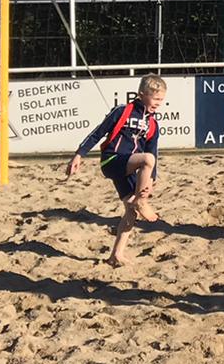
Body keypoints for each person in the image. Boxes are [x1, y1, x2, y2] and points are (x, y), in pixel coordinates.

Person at [66, 76, 167, 266]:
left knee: (130, 210)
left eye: (161, 100)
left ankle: (116, 255)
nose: (159, 104)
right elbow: (97, 133)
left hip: (129, 168)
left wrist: (151, 180)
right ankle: (142, 201)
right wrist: (79, 154)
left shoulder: (153, 124)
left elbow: (153, 149)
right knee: (147, 160)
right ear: (142, 95)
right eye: (156, 99)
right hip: (112, 160)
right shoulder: (123, 111)